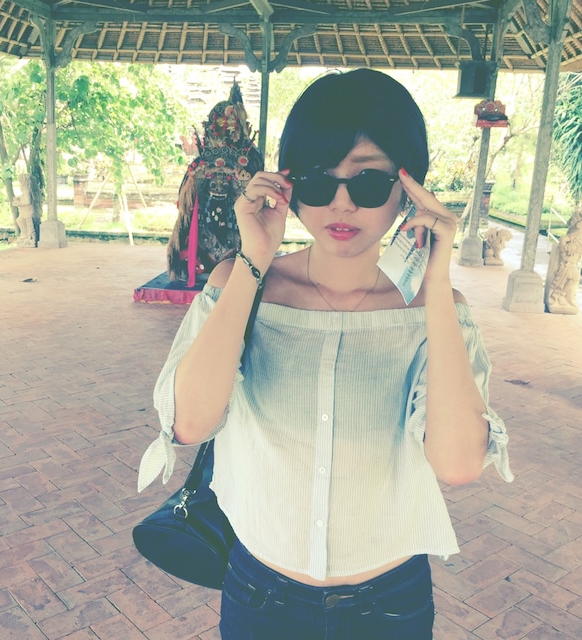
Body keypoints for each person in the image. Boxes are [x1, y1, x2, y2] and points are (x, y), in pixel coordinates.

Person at [138, 68, 513, 640]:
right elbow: (189, 424)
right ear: (289, 185)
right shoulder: (241, 284)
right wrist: (252, 260)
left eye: (368, 183)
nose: (341, 204)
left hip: (388, 605)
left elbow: (458, 464)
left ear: (408, 189)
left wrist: (436, 286)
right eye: (318, 181)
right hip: (259, 595)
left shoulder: (434, 310)